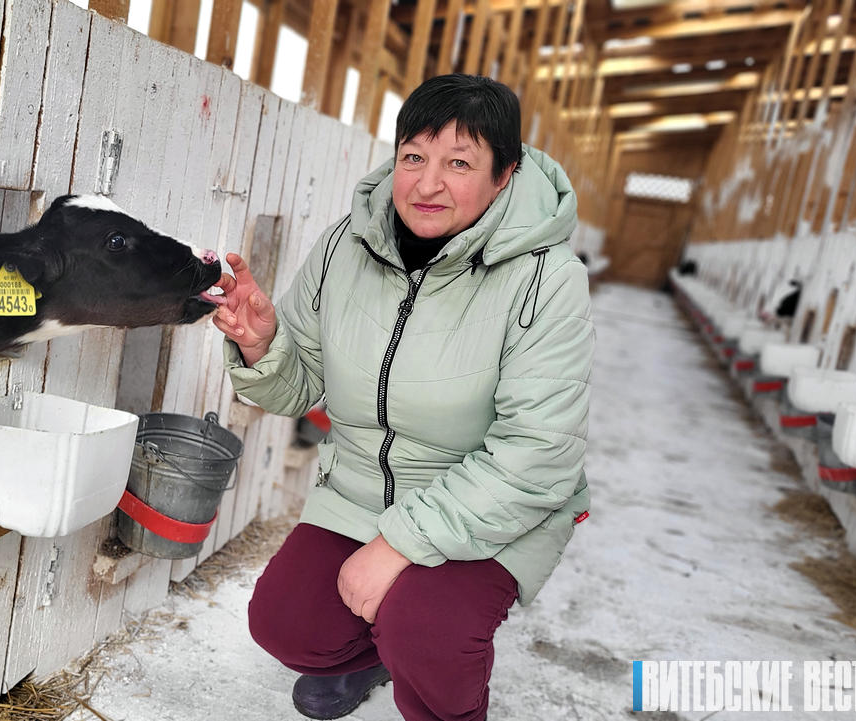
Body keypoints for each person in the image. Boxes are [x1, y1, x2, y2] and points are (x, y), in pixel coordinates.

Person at [209, 73, 593, 721]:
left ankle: (431, 679)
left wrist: (397, 546)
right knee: (285, 625)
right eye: (413, 156)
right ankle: (375, 653)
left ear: (506, 174)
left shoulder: (547, 279)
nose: (428, 182)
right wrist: (261, 345)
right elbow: (296, 382)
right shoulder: (347, 245)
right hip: (363, 491)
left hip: (496, 509)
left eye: (460, 163)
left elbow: (536, 455)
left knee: (426, 629)